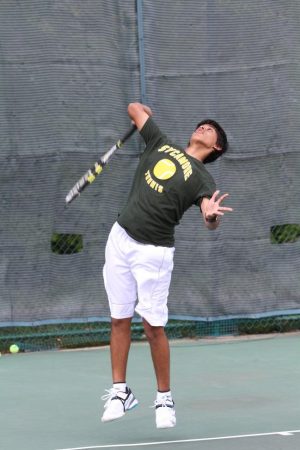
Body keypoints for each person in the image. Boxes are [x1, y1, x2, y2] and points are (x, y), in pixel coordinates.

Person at [101, 103, 233, 428]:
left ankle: (164, 397)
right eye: (201, 123)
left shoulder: (203, 178)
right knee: (119, 319)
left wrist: (211, 217)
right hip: (120, 238)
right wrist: (140, 109)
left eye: (210, 128)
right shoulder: (161, 142)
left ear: (216, 146)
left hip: (154, 253)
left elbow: (208, 213)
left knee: (152, 327)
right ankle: (120, 391)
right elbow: (133, 108)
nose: (203, 126)